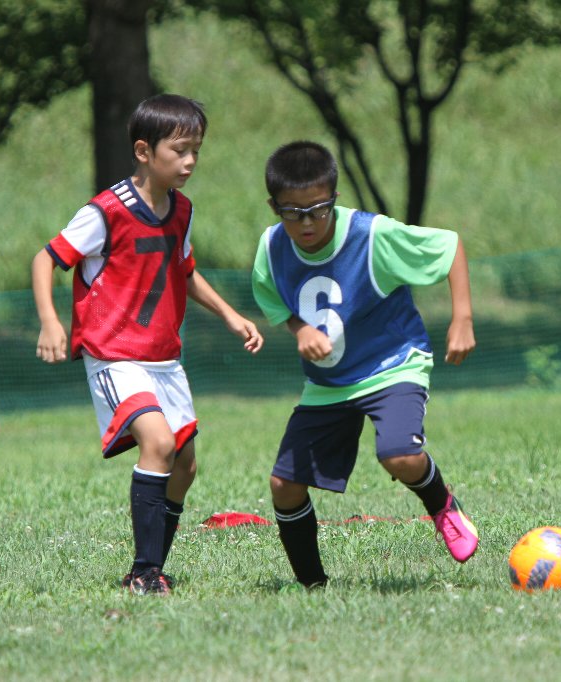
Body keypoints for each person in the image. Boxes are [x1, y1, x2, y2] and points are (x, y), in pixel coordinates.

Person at [31, 94, 264, 595]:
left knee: (185, 465)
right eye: (179, 150)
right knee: (158, 444)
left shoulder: (182, 210)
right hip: (114, 354)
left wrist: (230, 315)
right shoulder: (105, 212)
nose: (190, 161)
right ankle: (144, 573)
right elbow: (46, 258)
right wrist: (50, 322)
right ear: (143, 151)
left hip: (164, 357)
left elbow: (183, 269)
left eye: (196, 150)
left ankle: (150, 567)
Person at [251, 140, 478, 588]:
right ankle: (313, 586)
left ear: (334, 198)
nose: (306, 223)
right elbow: (270, 295)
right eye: (292, 213)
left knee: (400, 456)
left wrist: (463, 318)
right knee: (284, 486)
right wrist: (300, 329)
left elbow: (449, 246)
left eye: (317, 210)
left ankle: (442, 506)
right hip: (329, 383)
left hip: (393, 364)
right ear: (274, 206)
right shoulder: (272, 246)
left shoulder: (373, 236)